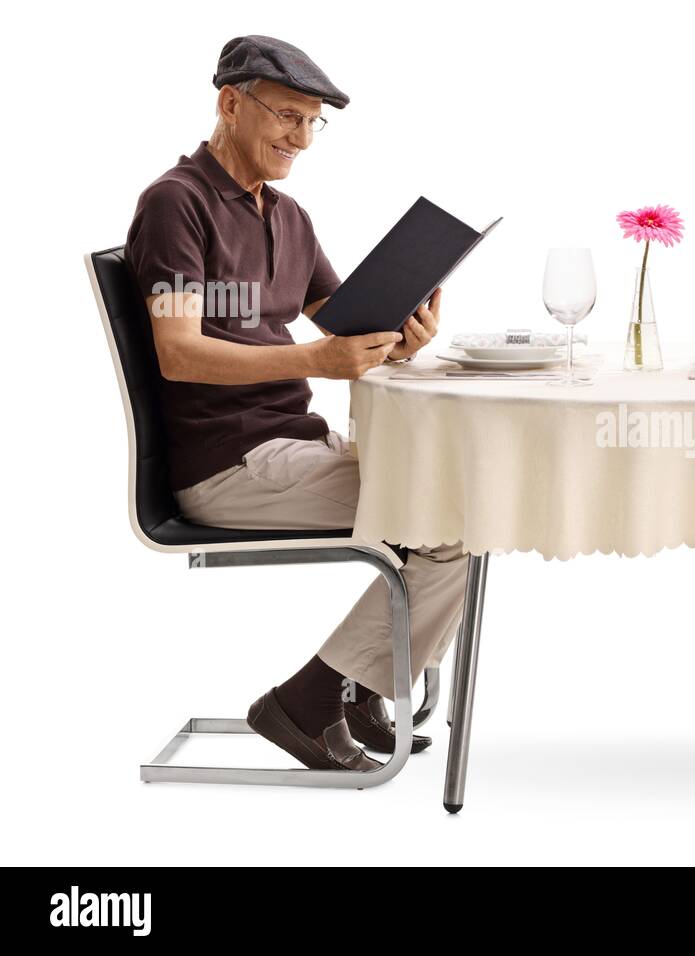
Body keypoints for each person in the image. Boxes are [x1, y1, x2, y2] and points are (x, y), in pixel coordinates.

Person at [125, 35, 467, 772]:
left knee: (461, 497)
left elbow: (341, 324)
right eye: (286, 116)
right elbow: (177, 350)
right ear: (229, 103)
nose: (302, 138)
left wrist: (401, 341)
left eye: (314, 123)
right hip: (228, 468)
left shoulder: (288, 216)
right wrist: (319, 358)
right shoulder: (175, 205)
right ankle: (311, 701)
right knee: (455, 516)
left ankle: (355, 691)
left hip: (292, 446)